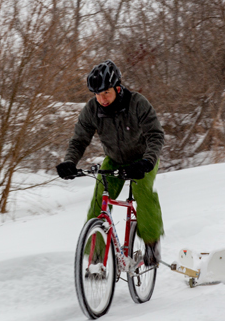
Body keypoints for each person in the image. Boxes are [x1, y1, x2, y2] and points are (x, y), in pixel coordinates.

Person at [56, 60, 165, 266]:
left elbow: (155, 135)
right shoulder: (92, 109)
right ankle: (96, 259)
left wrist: (147, 161)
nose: (101, 98)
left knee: (143, 192)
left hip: (142, 159)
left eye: (105, 92)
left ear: (117, 87)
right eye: (97, 94)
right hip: (114, 160)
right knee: (99, 199)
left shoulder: (137, 103)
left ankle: (151, 243)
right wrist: (69, 161)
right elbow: (79, 139)